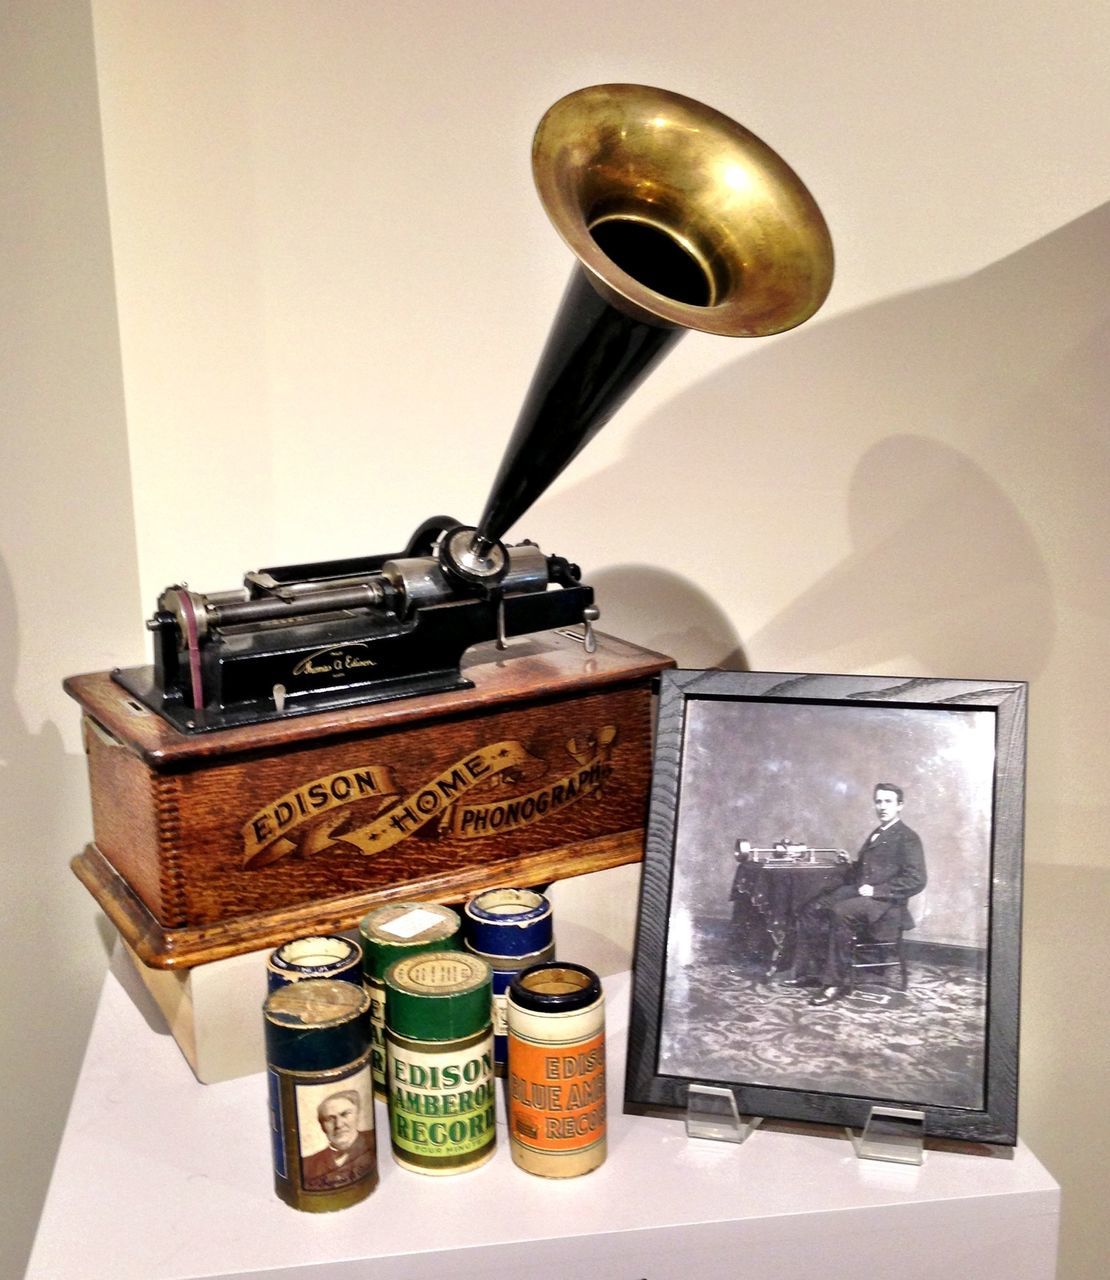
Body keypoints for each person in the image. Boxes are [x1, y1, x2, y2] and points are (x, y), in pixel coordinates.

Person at [787, 783, 927, 1006]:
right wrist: (850, 863)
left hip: (886, 903)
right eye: (878, 801)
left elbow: (917, 880)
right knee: (811, 908)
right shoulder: (878, 832)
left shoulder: (908, 837)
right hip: (864, 894)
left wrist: (876, 891)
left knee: (841, 911)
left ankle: (835, 983)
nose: (882, 806)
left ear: (900, 805)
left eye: (888, 801)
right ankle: (813, 971)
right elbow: (868, 870)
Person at [301, 1088, 375, 1189]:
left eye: (345, 1114)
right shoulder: (307, 1165)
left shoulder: (373, 1140)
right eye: (330, 1119)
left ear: (357, 1115)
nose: (339, 1124)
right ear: (322, 1126)